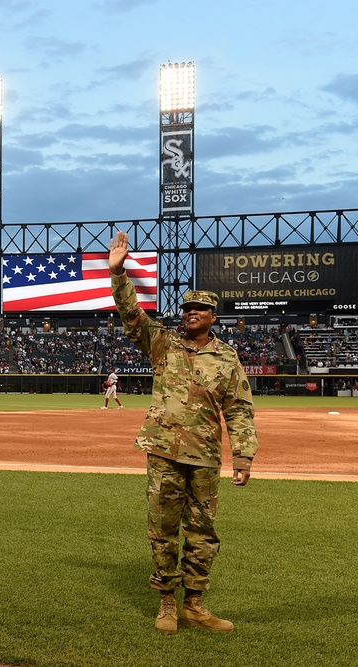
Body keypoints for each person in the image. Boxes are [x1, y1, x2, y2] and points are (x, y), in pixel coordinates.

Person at [108, 231, 258, 634]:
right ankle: (166, 604)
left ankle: (194, 604)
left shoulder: (227, 357)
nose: (192, 312)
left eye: (200, 309)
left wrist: (243, 455)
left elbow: (239, 408)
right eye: (188, 308)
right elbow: (131, 316)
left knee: (203, 532)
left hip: (205, 456)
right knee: (163, 530)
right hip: (163, 451)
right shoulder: (163, 344)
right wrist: (119, 274)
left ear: (213, 317)